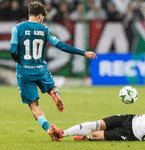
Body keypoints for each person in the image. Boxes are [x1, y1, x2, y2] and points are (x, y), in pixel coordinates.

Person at [10, 1, 97, 141]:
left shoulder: (17, 28)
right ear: (39, 16)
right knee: (53, 87)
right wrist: (84, 52)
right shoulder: (44, 30)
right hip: (41, 69)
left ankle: (48, 129)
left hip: (24, 71)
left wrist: (17, 60)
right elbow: (61, 45)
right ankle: (53, 93)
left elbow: (13, 51)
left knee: (34, 106)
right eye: (43, 17)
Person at [50, 50, 145, 143]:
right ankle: (62, 133)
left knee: (95, 135)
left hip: (131, 134)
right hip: (131, 119)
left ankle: (86, 137)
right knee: (97, 124)